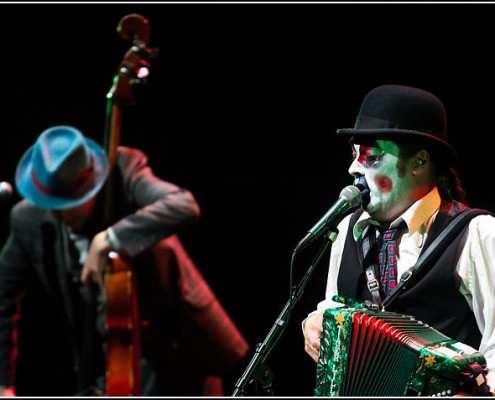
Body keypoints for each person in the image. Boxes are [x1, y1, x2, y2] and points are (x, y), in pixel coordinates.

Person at [0, 125, 249, 396]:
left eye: (69, 203)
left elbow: (184, 205)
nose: (59, 215)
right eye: (52, 204)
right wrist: (4, 386)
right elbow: (2, 298)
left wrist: (112, 238)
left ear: (93, 186)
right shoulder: (27, 218)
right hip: (107, 368)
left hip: (178, 355)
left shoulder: (122, 170)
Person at [302, 85, 495, 395]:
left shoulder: (477, 233)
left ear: (419, 162)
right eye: (354, 154)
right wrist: (314, 321)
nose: (354, 168)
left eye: (372, 157)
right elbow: (333, 310)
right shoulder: (347, 232)